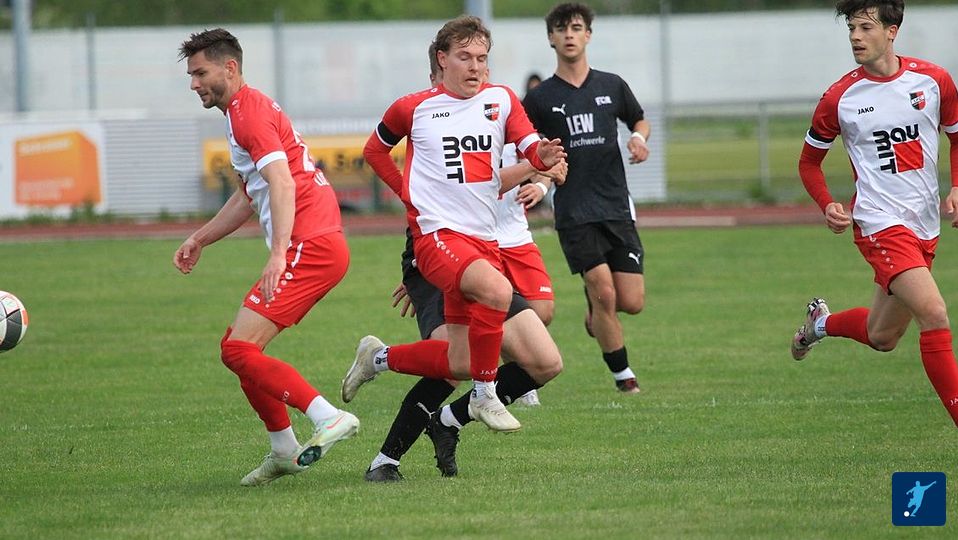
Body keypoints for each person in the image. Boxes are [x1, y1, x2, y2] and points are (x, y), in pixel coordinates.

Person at [344, 15, 565, 435]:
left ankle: (378, 358)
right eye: (465, 57)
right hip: (436, 238)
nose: (475, 66)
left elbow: (530, 145)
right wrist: (407, 192)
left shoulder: (501, 100)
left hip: (484, 241)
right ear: (442, 59)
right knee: (498, 290)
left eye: (482, 58)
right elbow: (374, 150)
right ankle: (484, 395)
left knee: (460, 361)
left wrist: (544, 156)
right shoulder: (413, 108)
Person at [173, 28, 359, 486]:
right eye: (191, 75)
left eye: (201, 73)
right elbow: (249, 195)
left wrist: (279, 254)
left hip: (309, 244)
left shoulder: (248, 114)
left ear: (230, 68)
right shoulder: (243, 111)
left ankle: (328, 416)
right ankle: (283, 448)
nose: (194, 84)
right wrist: (200, 238)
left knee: (238, 349)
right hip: (315, 242)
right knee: (238, 348)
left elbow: (282, 182)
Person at [792, 0, 958, 427]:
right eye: (851, 28)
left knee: (882, 336)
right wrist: (828, 203)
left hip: (924, 225)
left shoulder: (934, 81)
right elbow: (809, 163)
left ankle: (819, 325)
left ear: (892, 31)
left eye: (865, 27)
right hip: (879, 223)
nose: (855, 36)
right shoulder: (839, 98)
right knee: (934, 313)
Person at [523, 2, 651, 394]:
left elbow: (638, 118)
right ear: (551, 38)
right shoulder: (540, 98)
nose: (569, 35)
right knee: (605, 292)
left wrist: (638, 138)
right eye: (561, 29)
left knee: (631, 301)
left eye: (576, 28)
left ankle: (596, 309)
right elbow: (523, 146)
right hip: (574, 211)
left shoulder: (611, 85)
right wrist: (540, 182)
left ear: (588, 35)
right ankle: (625, 379)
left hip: (616, 205)